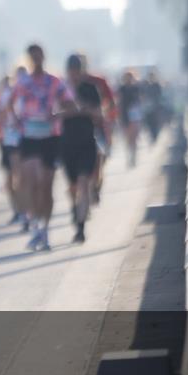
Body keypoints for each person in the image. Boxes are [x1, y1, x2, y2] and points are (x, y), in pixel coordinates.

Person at [10, 44, 74, 251]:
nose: (36, 60)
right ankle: (36, 226)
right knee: (32, 184)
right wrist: (17, 120)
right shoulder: (23, 82)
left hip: (50, 137)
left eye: (39, 56)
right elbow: (9, 103)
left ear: (44, 57)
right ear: (28, 59)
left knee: (46, 186)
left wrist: (56, 115)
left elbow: (70, 104)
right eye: (32, 57)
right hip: (29, 137)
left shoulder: (54, 82)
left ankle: (45, 229)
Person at [61, 55, 103, 243]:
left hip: (87, 142)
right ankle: (74, 207)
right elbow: (55, 112)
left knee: (84, 182)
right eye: (72, 70)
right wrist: (71, 111)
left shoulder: (91, 89)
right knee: (72, 186)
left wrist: (83, 108)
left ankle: (81, 228)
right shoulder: (62, 89)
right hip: (67, 143)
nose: (74, 74)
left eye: (77, 70)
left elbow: (98, 114)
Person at [77, 55, 116, 204]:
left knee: (100, 160)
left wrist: (102, 114)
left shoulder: (98, 81)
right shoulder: (70, 85)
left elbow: (110, 102)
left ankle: (96, 187)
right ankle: (86, 193)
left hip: (99, 127)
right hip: (80, 130)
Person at [0, 67, 27, 226]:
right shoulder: (7, 94)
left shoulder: (30, 92)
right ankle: (18, 210)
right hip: (10, 139)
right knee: (13, 178)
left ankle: (24, 211)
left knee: (22, 176)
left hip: (25, 139)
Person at [117, 70, 143, 167]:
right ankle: (129, 156)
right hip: (124, 116)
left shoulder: (136, 88)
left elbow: (140, 100)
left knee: (134, 138)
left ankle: (134, 156)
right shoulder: (121, 88)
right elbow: (119, 102)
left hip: (134, 115)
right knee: (128, 139)